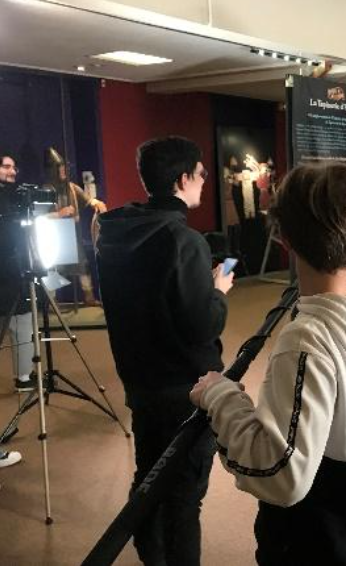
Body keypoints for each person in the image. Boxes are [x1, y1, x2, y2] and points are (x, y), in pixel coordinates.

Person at [190, 162, 346, 566]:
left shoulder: (305, 342)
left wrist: (220, 397)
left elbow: (280, 473)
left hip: (312, 543)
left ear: (284, 240)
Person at [96, 136, 234, 566]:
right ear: (182, 179)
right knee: (184, 496)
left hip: (140, 382)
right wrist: (218, 290)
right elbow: (203, 325)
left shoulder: (114, 233)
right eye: (200, 173)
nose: (204, 180)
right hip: (186, 391)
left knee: (148, 483)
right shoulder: (184, 241)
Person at [42, 147, 107, 305]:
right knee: (53, 268)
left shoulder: (72, 188)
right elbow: (39, 216)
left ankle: (89, 298)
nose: (63, 171)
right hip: (54, 236)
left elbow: (89, 200)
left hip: (71, 234)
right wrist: (59, 214)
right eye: (59, 168)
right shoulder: (46, 190)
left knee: (82, 265)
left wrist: (97, 203)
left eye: (64, 167)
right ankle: (52, 301)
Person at [0, 152, 35, 392]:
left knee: (22, 321)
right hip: (9, 271)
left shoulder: (15, 197)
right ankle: (23, 377)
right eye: (6, 166)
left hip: (15, 271)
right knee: (20, 321)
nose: (12, 171)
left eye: (14, 167)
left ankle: (25, 376)